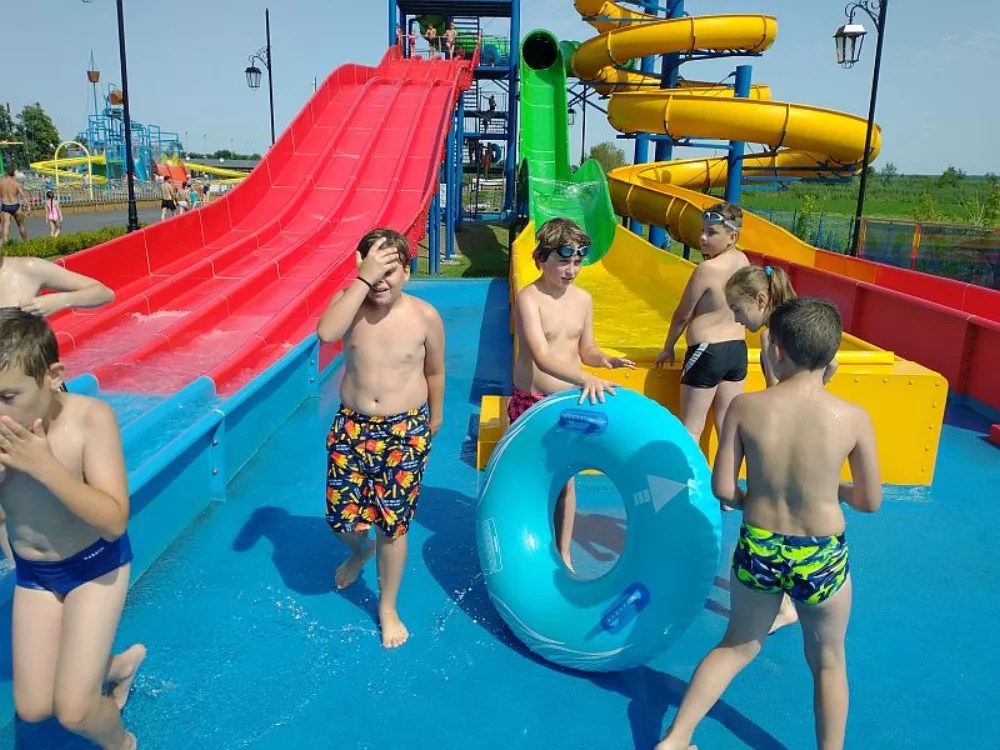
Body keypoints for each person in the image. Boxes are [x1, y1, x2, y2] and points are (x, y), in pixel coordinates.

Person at [654, 297, 882, 750]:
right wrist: (836, 491)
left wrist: (752, 500)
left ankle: (677, 738)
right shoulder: (853, 418)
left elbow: (724, 488)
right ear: (832, 358)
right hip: (820, 552)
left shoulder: (745, 408)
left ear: (775, 351)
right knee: (829, 662)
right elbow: (868, 501)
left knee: (737, 644)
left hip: (760, 545)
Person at [0, 309, 145, 749]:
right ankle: (114, 667)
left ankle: (123, 743)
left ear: (53, 376)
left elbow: (113, 520)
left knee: (75, 711)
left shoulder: (90, 420)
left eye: (8, 396)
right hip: (35, 575)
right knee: (33, 709)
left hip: (94, 566)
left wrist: (44, 466)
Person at [316, 228, 445, 649]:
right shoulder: (350, 304)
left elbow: (435, 371)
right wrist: (361, 279)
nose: (381, 280)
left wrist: (435, 419)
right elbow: (326, 333)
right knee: (340, 518)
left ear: (407, 271)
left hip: (404, 431)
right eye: (373, 269)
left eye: (390, 270)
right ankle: (359, 550)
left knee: (393, 525)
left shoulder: (424, 317)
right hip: (352, 428)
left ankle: (387, 607)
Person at [511, 217, 633, 572]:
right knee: (533, 481)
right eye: (563, 261)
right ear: (540, 259)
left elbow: (586, 349)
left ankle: (563, 554)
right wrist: (585, 377)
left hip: (567, 404)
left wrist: (603, 359)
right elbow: (541, 355)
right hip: (533, 403)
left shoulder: (583, 299)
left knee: (566, 482)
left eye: (577, 262)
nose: (571, 270)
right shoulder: (529, 299)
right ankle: (529, 548)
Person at [725, 263, 839, 634]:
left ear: (761, 300)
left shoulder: (771, 337)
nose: (736, 319)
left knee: (774, 520)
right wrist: (816, 388)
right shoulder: (795, 326)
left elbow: (777, 391)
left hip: (778, 430)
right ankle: (791, 599)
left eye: (738, 309)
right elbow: (832, 363)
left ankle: (783, 604)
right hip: (804, 425)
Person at [0, 256, 115, 562]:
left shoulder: (26, 270)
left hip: (33, 399)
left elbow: (104, 292)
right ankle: (20, 564)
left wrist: (60, 301)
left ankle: (77, 552)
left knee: (55, 479)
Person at [654, 202, 749, 442]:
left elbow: (682, 315)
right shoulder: (743, 261)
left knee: (691, 429)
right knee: (727, 428)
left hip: (707, 352)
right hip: (737, 351)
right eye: (702, 231)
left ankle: (688, 470)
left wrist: (668, 347)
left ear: (732, 237)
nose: (703, 238)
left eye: (712, 233)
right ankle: (730, 469)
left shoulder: (707, 269)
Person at [0, 166, 29, 247]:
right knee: (21, 225)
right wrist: (28, 207)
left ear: (6, 173)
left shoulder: (1, 182)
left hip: (5, 206)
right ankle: (26, 243)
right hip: (15, 206)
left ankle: (6, 244)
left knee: (6, 225)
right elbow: (23, 196)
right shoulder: (16, 184)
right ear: (13, 174)